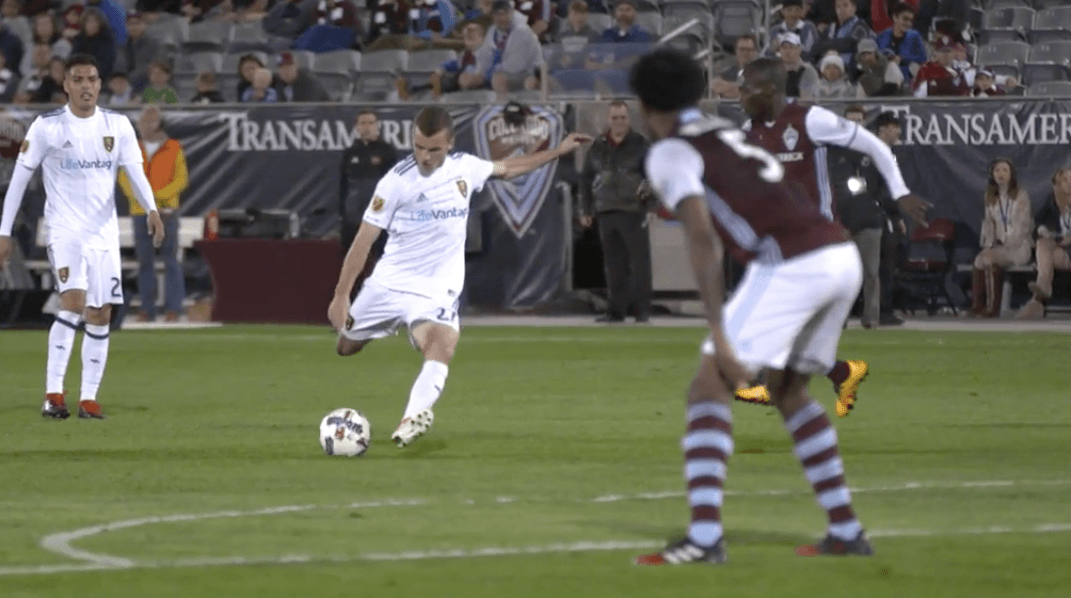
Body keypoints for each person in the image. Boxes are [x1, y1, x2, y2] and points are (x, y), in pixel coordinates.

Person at [628, 48, 919, 565]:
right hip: (838, 255)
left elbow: (700, 236)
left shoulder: (670, 151)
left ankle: (703, 539)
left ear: (648, 107)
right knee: (787, 389)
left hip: (790, 263)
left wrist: (717, 330)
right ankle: (847, 531)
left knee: (709, 383)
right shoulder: (725, 131)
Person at [326, 106, 590, 448]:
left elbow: (509, 167)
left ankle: (411, 418)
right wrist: (341, 294)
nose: (424, 155)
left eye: (433, 148)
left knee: (441, 345)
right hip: (390, 282)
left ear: (450, 143)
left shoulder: (466, 167)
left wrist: (558, 151)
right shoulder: (395, 181)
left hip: (437, 287)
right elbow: (364, 240)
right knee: (346, 346)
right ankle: (385, 325)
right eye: (419, 146)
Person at [733, 56, 929, 414]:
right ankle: (841, 373)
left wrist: (899, 191)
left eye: (746, 87)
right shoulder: (751, 131)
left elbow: (873, 144)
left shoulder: (811, 120)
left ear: (771, 89)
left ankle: (768, 380)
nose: (740, 94)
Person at [0, 54, 163, 420]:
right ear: (66, 85)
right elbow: (20, 181)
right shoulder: (47, 127)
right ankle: (54, 395)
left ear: (99, 84)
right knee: (73, 303)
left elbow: (135, 171)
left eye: (92, 79)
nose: (86, 85)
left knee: (100, 313)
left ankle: (89, 399)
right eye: (79, 79)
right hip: (64, 230)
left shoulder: (117, 125)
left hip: (103, 234)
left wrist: (151, 208)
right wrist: (3, 232)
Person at [579, 101, 652, 323]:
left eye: (623, 117)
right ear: (608, 120)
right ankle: (616, 310)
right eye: (615, 118)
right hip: (606, 210)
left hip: (633, 210)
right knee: (614, 265)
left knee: (639, 263)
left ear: (629, 119)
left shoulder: (640, 144)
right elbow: (586, 178)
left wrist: (649, 205)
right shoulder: (598, 146)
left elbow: (653, 176)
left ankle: (641, 310)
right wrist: (586, 208)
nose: (619, 122)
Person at [117, 105, 188, 323]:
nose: (145, 126)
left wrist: (156, 199)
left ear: (159, 123)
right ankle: (146, 308)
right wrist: (145, 200)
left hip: (166, 212)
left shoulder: (173, 147)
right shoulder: (132, 147)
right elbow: (124, 178)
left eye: (150, 122)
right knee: (144, 260)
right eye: (142, 122)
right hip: (141, 212)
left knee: (170, 259)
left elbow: (181, 179)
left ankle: (173, 308)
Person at [970, 158, 1032, 318]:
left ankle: (992, 308)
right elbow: (989, 225)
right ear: (992, 175)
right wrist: (988, 245)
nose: (1001, 174)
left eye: (1005, 170)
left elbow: (1023, 226)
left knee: (989, 258)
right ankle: (978, 306)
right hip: (999, 248)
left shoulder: (1021, 195)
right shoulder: (990, 197)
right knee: (980, 259)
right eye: (997, 170)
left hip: (1018, 247)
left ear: (1011, 174)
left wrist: (1006, 242)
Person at [339, 109, 398, 257]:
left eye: (371, 123)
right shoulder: (350, 153)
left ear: (377, 126)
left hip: (379, 214)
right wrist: (343, 212)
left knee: (381, 256)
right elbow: (343, 184)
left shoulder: (388, 151)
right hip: (354, 216)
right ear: (356, 127)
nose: (367, 127)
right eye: (363, 123)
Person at [1017, 167, 1071, 319]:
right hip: (1061, 251)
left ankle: (1038, 300)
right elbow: (1039, 221)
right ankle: (1042, 288)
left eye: (1070, 179)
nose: (1068, 183)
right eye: (1064, 180)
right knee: (1043, 242)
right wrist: (1043, 230)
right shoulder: (1054, 200)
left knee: (1047, 250)